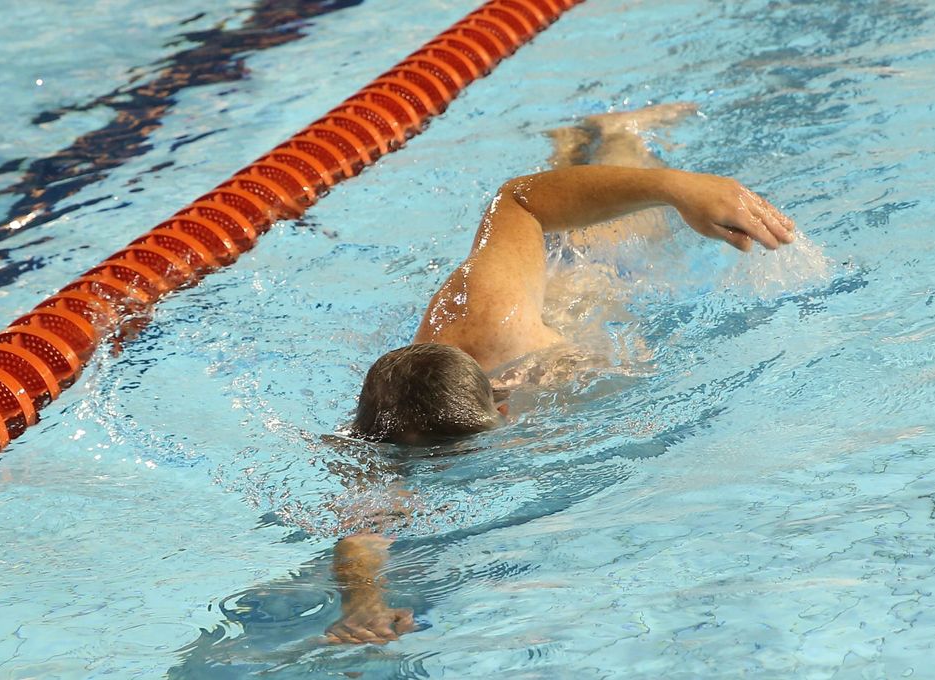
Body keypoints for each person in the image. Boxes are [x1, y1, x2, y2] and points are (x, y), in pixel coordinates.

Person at [325, 105, 797, 644]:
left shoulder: (490, 319)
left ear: (500, 407)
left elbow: (521, 199)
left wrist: (678, 188)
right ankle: (571, 143)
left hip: (587, 273)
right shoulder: (387, 429)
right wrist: (363, 602)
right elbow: (362, 536)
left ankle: (619, 127)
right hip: (531, 283)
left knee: (626, 212)